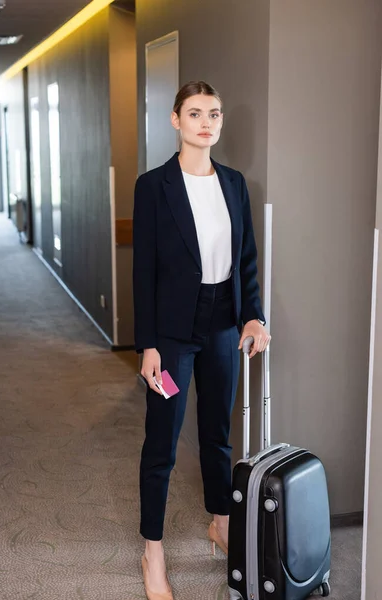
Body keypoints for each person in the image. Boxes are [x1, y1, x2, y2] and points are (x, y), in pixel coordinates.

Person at [133, 80, 271, 600]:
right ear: (176, 121)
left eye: (214, 113)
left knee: (217, 435)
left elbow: (247, 260)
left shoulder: (234, 183)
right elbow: (142, 271)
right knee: (162, 445)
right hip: (170, 335)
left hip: (220, 325)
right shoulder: (154, 186)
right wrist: (148, 343)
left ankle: (220, 522)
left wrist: (253, 317)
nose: (206, 122)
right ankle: (153, 551)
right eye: (195, 113)